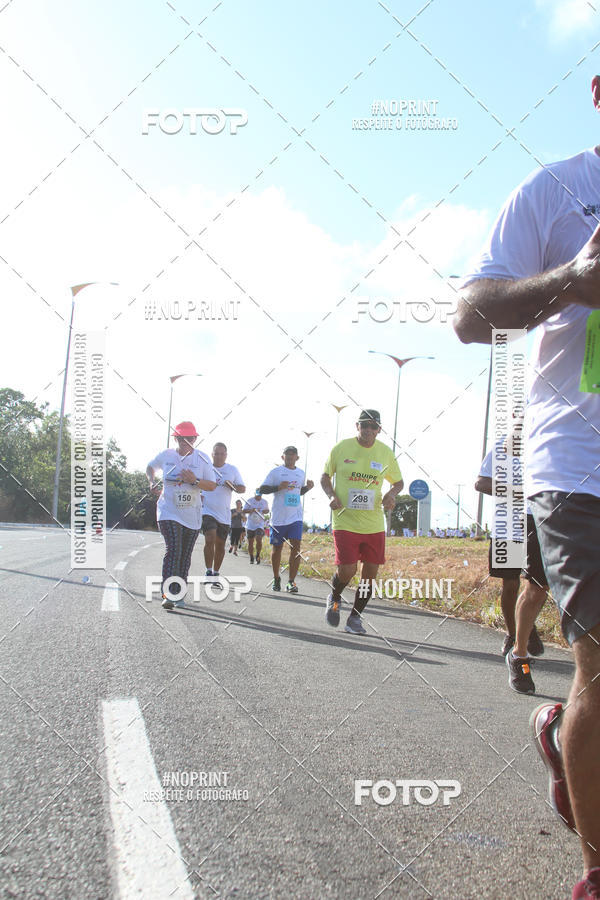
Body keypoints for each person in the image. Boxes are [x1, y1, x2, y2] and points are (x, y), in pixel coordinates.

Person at [454, 76, 600, 898]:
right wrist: (571, 282)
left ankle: (560, 736)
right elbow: (473, 312)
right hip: (581, 465)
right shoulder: (557, 190)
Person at [320, 409, 403, 634]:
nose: (368, 430)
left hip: (374, 523)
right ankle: (335, 598)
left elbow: (398, 482)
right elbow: (325, 476)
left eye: (372, 426)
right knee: (347, 570)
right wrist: (331, 495)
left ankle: (355, 618)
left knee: (371, 573)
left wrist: (391, 494)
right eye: (363, 425)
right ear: (357, 426)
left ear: (379, 430)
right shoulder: (341, 448)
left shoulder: (385, 453)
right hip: (345, 519)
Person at [475, 441, 547, 693]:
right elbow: (480, 483)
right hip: (509, 522)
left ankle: (522, 634)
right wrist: (513, 489)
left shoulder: (546, 446)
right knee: (511, 584)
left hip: (539, 520)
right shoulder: (502, 449)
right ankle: (514, 634)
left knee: (538, 587)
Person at [146, 422, 217, 610]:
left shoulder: (202, 459)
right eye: (180, 438)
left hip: (191, 514)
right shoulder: (167, 455)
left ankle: (178, 593)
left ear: (195, 439)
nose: (185, 442)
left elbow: (212, 485)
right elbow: (150, 467)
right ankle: (168, 594)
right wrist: (152, 481)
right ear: (175, 438)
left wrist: (194, 480)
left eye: (189, 439)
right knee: (174, 549)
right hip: (168, 510)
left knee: (185, 556)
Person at [259, 447, 313, 592]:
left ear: (297, 457)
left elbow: (298, 492)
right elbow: (261, 489)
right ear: (282, 457)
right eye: (287, 455)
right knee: (277, 549)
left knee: (296, 548)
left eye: (292, 455)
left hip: (295, 516)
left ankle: (291, 581)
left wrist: (308, 488)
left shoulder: (301, 473)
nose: (289, 457)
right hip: (278, 517)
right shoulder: (275, 472)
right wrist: (277, 487)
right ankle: (276, 578)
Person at [201, 442, 245, 583]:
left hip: (224, 514)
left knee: (220, 545)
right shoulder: (205, 468)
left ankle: (216, 573)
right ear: (212, 454)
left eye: (222, 454)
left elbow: (242, 488)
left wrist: (232, 486)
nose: (219, 456)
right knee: (210, 537)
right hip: (207, 510)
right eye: (216, 453)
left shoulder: (232, 470)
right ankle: (208, 571)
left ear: (226, 455)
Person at [243, 489, 270, 564]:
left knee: (259, 539)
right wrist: (251, 510)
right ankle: (251, 556)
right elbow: (244, 510)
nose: (259, 496)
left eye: (260, 495)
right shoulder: (250, 501)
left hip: (260, 524)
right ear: (254, 493)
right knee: (250, 542)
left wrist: (265, 511)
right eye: (257, 495)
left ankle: (258, 554)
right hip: (250, 525)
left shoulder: (264, 502)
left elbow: (267, 510)